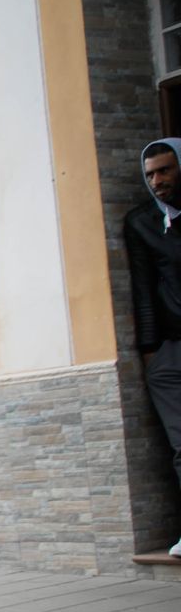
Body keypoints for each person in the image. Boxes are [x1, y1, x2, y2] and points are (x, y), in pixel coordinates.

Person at [127, 138, 181, 555]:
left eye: (165, 170)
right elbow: (143, 291)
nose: (157, 181)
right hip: (171, 353)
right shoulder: (143, 222)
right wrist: (152, 353)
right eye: (150, 175)